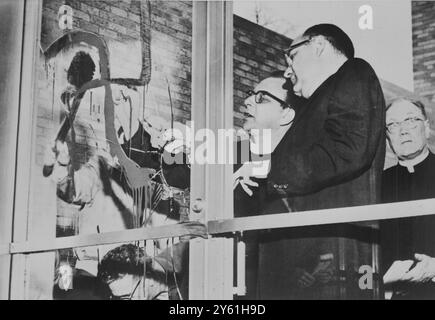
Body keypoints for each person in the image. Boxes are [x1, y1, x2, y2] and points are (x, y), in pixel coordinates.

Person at [239, 24, 386, 299]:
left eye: (291, 56)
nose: (286, 69)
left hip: (329, 267)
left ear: (318, 45)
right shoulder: (312, 106)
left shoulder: (354, 72)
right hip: (305, 267)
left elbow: (347, 149)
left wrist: (269, 168)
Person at [381, 98, 435, 299]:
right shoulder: (378, 185)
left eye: (411, 120)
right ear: (387, 137)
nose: (403, 130)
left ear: (426, 128)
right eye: (393, 125)